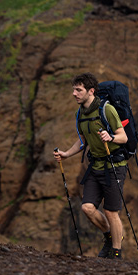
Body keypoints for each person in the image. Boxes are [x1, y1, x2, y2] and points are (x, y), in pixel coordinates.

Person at [53, 72, 128, 259]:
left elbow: (123, 137)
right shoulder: (80, 114)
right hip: (95, 166)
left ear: (91, 91)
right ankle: (110, 236)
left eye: (78, 90)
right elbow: (83, 141)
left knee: (111, 211)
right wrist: (66, 154)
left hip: (114, 165)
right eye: (73, 90)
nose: (74, 94)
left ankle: (116, 253)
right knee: (87, 207)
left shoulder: (106, 109)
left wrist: (111, 137)